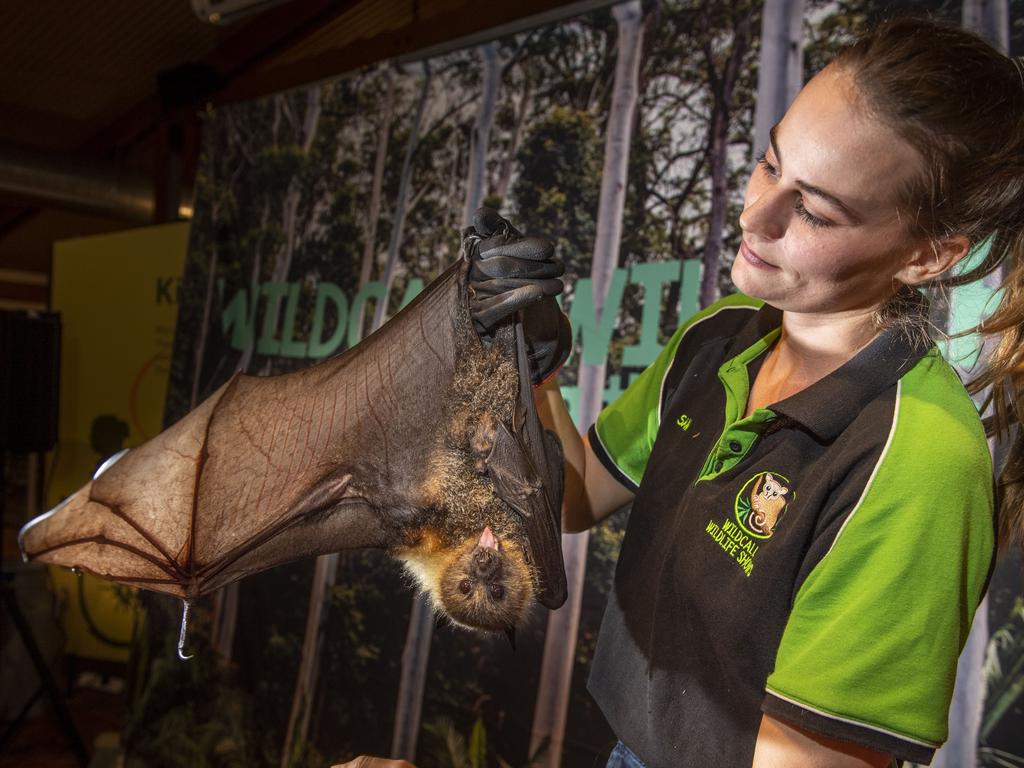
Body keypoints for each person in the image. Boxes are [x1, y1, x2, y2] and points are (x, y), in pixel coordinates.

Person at [338, 16, 1023, 768]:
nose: (756, 217)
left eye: (817, 212)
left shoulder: (918, 455)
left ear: (929, 256)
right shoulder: (720, 335)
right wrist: (527, 368)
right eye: (769, 165)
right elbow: (573, 496)